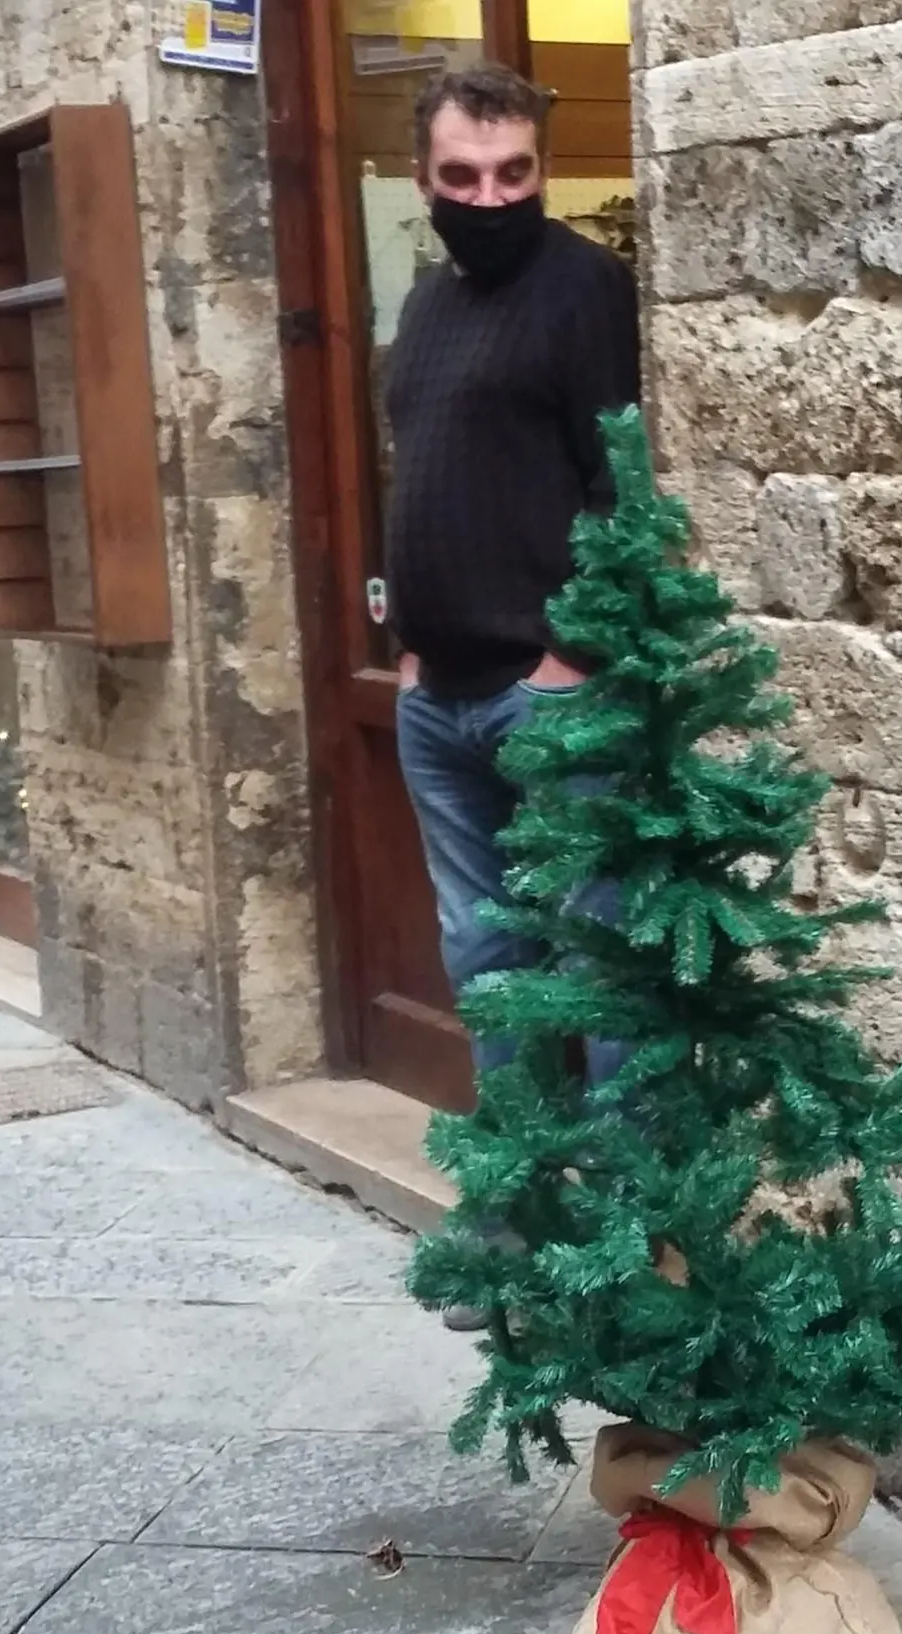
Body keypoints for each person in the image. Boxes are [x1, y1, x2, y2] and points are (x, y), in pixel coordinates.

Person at [383, 65, 641, 1330]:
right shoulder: (428, 306)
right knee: (488, 964)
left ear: (542, 169)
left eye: (514, 174)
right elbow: (431, 471)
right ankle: (511, 1220)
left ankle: (619, 1238)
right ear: (423, 181)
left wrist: (573, 657)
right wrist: (409, 644)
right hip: (440, 699)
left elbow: (624, 482)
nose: (489, 198)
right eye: (463, 178)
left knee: (597, 968)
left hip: (550, 698)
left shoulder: (584, 290)